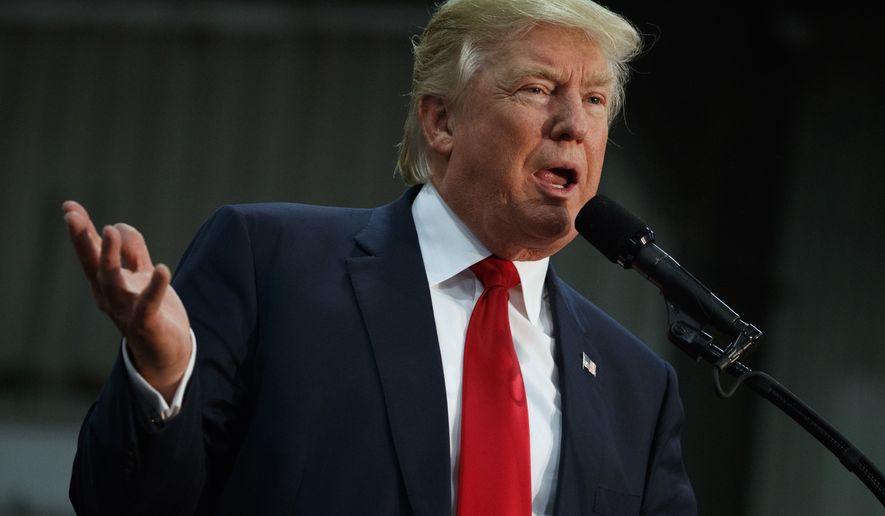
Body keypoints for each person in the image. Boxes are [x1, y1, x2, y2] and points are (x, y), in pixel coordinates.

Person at [63, 0, 697, 514]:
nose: (574, 125)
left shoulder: (635, 385)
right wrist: (165, 378)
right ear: (441, 121)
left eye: (594, 100)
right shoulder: (270, 264)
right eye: (538, 88)